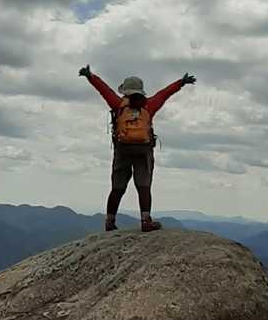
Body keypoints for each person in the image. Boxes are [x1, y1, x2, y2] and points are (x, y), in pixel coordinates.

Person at [79, 65, 196, 232]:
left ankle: (110, 221)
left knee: (117, 187)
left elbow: (103, 89)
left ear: (125, 91)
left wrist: (89, 76)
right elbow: (165, 93)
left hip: (123, 149)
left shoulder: (118, 104)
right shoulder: (149, 105)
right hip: (143, 150)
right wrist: (181, 82)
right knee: (144, 186)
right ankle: (145, 221)